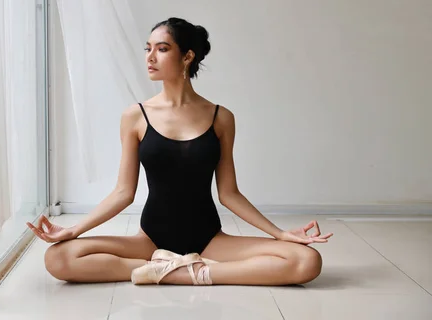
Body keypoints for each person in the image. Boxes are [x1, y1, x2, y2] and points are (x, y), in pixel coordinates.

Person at [27, 17, 333, 286]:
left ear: (187, 56)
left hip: (210, 239)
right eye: (147, 48)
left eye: (162, 49)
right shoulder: (135, 116)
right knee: (59, 259)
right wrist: (74, 230)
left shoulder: (221, 117)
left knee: (307, 261)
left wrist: (279, 234)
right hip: (150, 239)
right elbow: (123, 192)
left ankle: (183, 273)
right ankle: (179, 269)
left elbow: (229, 194)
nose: (150, 57)